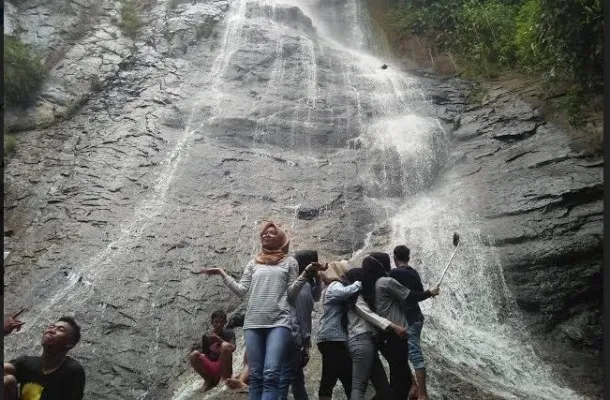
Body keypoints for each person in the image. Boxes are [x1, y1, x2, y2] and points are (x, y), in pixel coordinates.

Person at [200, 221, 326, 400]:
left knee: (272, 374)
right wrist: (222, 273)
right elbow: (242, 291)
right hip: (253, 324)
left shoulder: (290, 262)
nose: (266, 235)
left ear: (281, 238)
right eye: (264, 233)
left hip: (279, 323)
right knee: (256, 376)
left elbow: (291, 294)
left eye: (272, 233)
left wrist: (306, 272)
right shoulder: (253, 263)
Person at [360, 252, 438, 400]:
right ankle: (419, 394)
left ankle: (412, 389)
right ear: (382, 265)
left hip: (383, 337)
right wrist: (430, 292)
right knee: (400, 382)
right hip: (396, 335)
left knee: (397, 376)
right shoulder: (386, 282)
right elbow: (411, 296)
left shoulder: (370, 285)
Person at [343, 265, 407, 400]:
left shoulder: (357, 297)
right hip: (360, 341)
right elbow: (370, 315)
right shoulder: (354, 298)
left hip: (366, 343)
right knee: (359, 387)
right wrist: (393, 326)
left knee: (384, 390)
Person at [390, 245, 438, 400]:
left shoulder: (393, 273)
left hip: (407, 319)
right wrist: (429, 293)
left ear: (395, 257)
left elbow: (406, 295)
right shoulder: (414, 273)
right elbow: (418, 295)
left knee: (412, 354)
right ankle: (415, 388)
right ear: (408, 258)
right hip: (416, 317)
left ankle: (422, 394)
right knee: (407, 353)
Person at [4, 316, 85, 400]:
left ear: (70, 343)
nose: (51, 330)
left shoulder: (72, 371)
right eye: (51, 327)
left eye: (60, 329)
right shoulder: (26, 362)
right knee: (7, 381)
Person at [279, 250, 322, 400]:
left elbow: (316, 297)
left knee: (296, 380)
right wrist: (306, 343)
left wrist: (318, 277)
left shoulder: (297, 283)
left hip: (283, 335)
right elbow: (303, 316)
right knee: (287, 381)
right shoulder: (302, 286)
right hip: (292, 336)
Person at [316, 260, 359, 400]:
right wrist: (360, 282)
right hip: (333, 338)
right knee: (347, 376)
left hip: (328, 338)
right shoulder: (335, 285)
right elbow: (344, 292)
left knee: (330, 376)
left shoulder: (327, 287)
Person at [188, 310, 236, 392]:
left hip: (224, 366)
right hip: (212, 366)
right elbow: (205, 354)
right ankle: (208, 381)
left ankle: (225, 379)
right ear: (212, 322)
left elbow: (233, 348)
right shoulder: (206, 336)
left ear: (225, 322)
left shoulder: (229, 333)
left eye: (221, 322)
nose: (219, 325)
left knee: (225, 346)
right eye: (216, 322)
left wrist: (218, 340)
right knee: (194, 355)